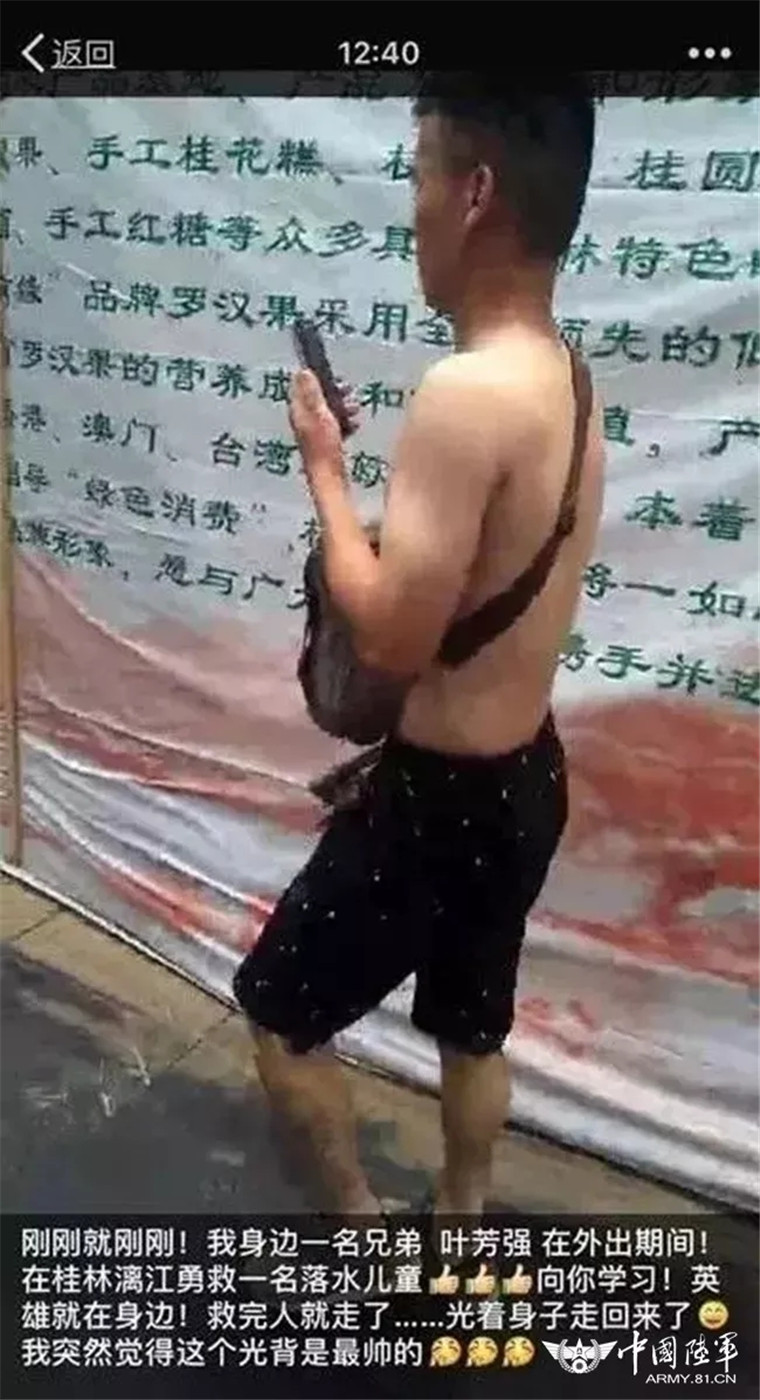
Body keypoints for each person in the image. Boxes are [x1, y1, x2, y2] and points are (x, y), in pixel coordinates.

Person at [234, 75, 604, 1221]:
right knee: (470, 1025)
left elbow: (391, 635)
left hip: (435, 805)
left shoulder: (465, 392)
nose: (413, 213)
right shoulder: (567, 375)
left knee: (279, 1014)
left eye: (418, 178)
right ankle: (461, 1213)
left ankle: (363, 1230)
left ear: (474, 193)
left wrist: (323, 471)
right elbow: (475, 580)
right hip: (524, 779)